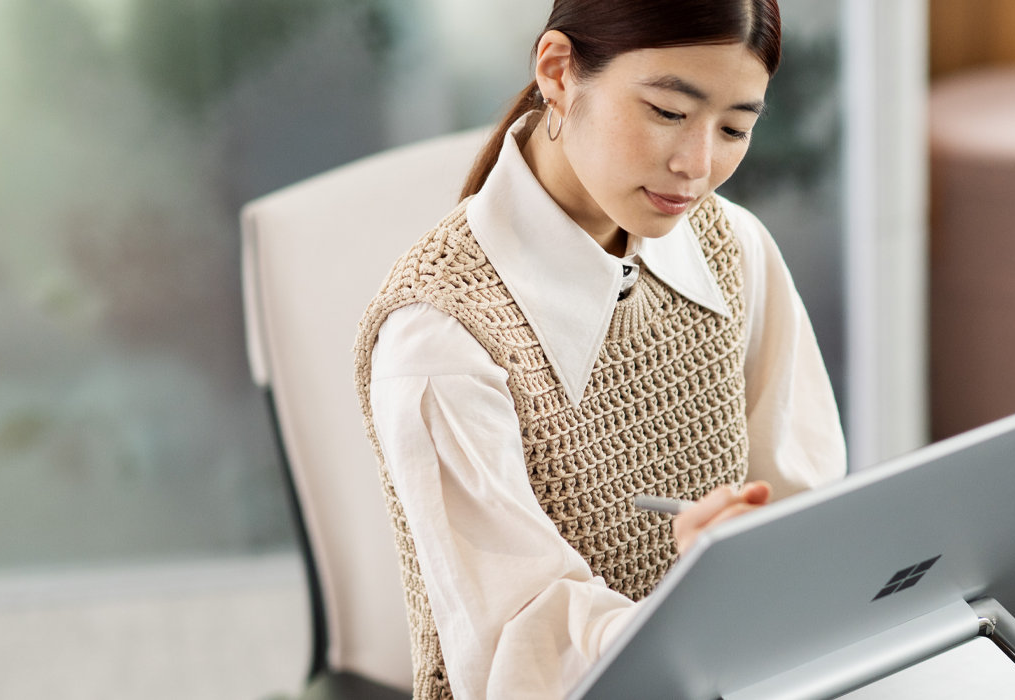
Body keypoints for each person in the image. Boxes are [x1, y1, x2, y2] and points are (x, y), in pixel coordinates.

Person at [349, 1, 846, 698]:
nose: (697, 165)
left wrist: (771, 559)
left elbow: (808, 510)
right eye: (669, 112)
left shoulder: (734, 250)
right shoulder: (440, 338)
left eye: (735, 127)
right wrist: (703, 604)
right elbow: (522, 658)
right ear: (557, 72)